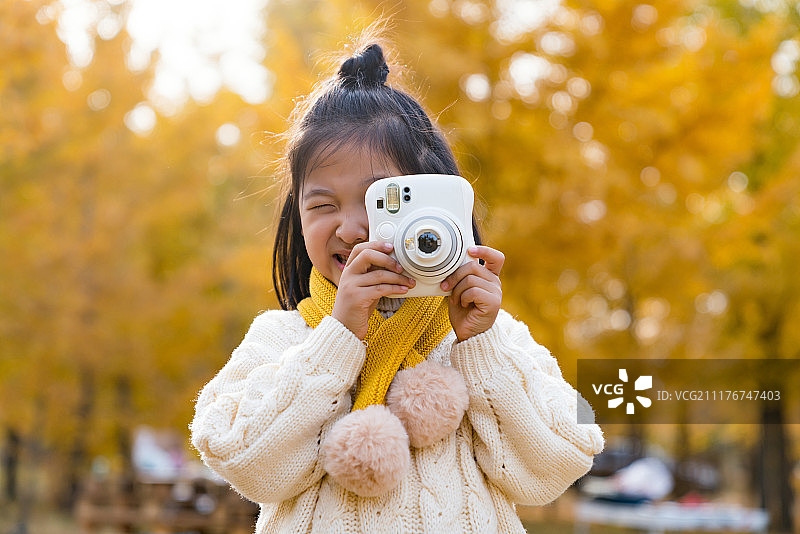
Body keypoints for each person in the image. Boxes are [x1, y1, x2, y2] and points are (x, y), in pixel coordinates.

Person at [190, 34, 604, 534]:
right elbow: (242, 458)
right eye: (321, 205)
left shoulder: (486, 339)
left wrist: (483, 344)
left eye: (375, 202)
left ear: (432, 203)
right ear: (296, 218)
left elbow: (559, 462)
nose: (348, 228)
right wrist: (338, 338)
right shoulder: (285, 340)